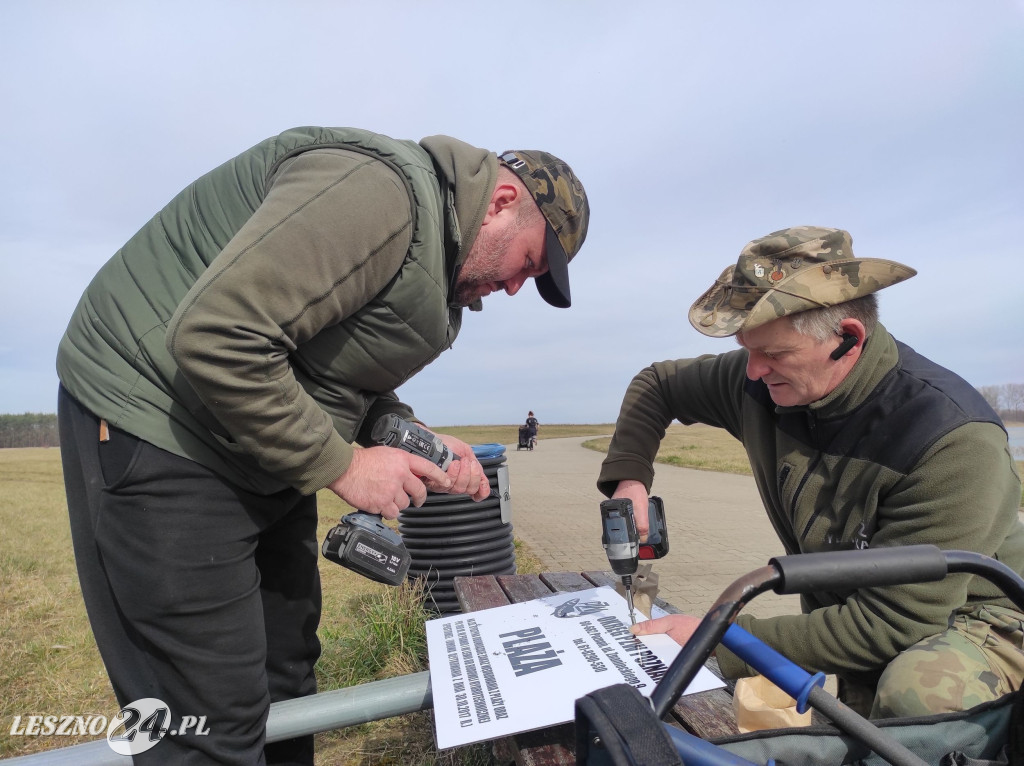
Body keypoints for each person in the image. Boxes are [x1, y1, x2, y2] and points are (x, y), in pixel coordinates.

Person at [56, 126, 589, 764]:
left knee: (286, 675)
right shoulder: (381, 195)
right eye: (527, 263)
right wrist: (345, 465)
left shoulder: (437, 263)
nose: (515, 288)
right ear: (501, 202)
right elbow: (219, 335)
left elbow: (328, 364)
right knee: (208, 719)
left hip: (257, 446)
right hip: (161, 425)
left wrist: (408, 433)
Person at [599, 226, 1024, 719]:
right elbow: (658, 385)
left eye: (775, 354)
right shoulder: (763, 381)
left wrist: (718, 639)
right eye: (746, 349)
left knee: (916, 693)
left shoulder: (950, 439)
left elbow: (893, 622)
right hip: (866, 613)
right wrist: (630, 479)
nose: (753, 370)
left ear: (847, 339)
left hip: (981, 619)